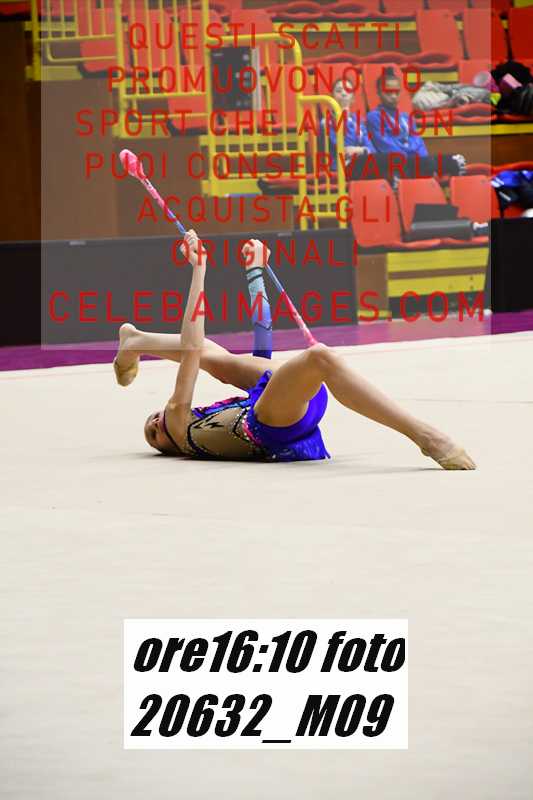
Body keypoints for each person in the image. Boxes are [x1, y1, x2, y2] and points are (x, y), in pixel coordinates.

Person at [113, 232, 475, 469]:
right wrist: (199, 270)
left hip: (274, 404)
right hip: (270, 426)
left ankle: (135, 341)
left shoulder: (212, 413)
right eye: (153, 435)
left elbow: (262, 343)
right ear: (170, 448)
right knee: (319, 357)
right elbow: (190, 346)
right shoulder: (181, 427)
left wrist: (255, 273)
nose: (155, 424)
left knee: (217, 359)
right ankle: (425, 437)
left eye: (150, 420)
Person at [366, 67, 466, 181]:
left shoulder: (406, 117)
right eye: (388, 92)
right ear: (379, 93)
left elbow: (418, 142)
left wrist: (424, 159)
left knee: (456, 160)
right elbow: (386, 146)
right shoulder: (374, 117)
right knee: (409, 163)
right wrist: (412, 154)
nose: (393, 96)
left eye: (396, 92)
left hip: (416, 162)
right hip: (399, 162)